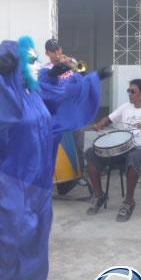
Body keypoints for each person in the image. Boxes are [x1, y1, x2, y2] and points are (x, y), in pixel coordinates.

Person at [0, 35, 104, 280]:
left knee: (36, 229)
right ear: (15, 65)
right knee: (10, 229)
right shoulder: (3, 92)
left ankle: (25, 279)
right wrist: (2, 70)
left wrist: (89, 78)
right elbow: (0, 112)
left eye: (35, 60)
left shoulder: (36, 91)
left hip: (40, 176)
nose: (36, 65)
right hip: (11, 175)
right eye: (29, 61)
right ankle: (0, 278)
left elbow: (63, 94)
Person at [86, 79, 141, 222]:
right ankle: (99, 195)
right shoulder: (126, 107)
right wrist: (99, 125)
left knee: (134, 156)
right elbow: (109, 119)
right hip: (123, 149)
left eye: (132, 91)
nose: (129, 94)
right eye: (128, 91)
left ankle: (129, 202)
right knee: (91, 152)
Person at [41, 38, 83, 195]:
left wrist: (72, 65)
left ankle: (80, 175)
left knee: (78, 143)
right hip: (58, 113)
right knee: (63, 146)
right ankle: (62, 178)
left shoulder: (71, 62)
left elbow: (83, 73)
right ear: (47, 53)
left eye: (58, 49)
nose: (57, 53)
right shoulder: (46, 69)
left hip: (74, 110)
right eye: (53, 51)